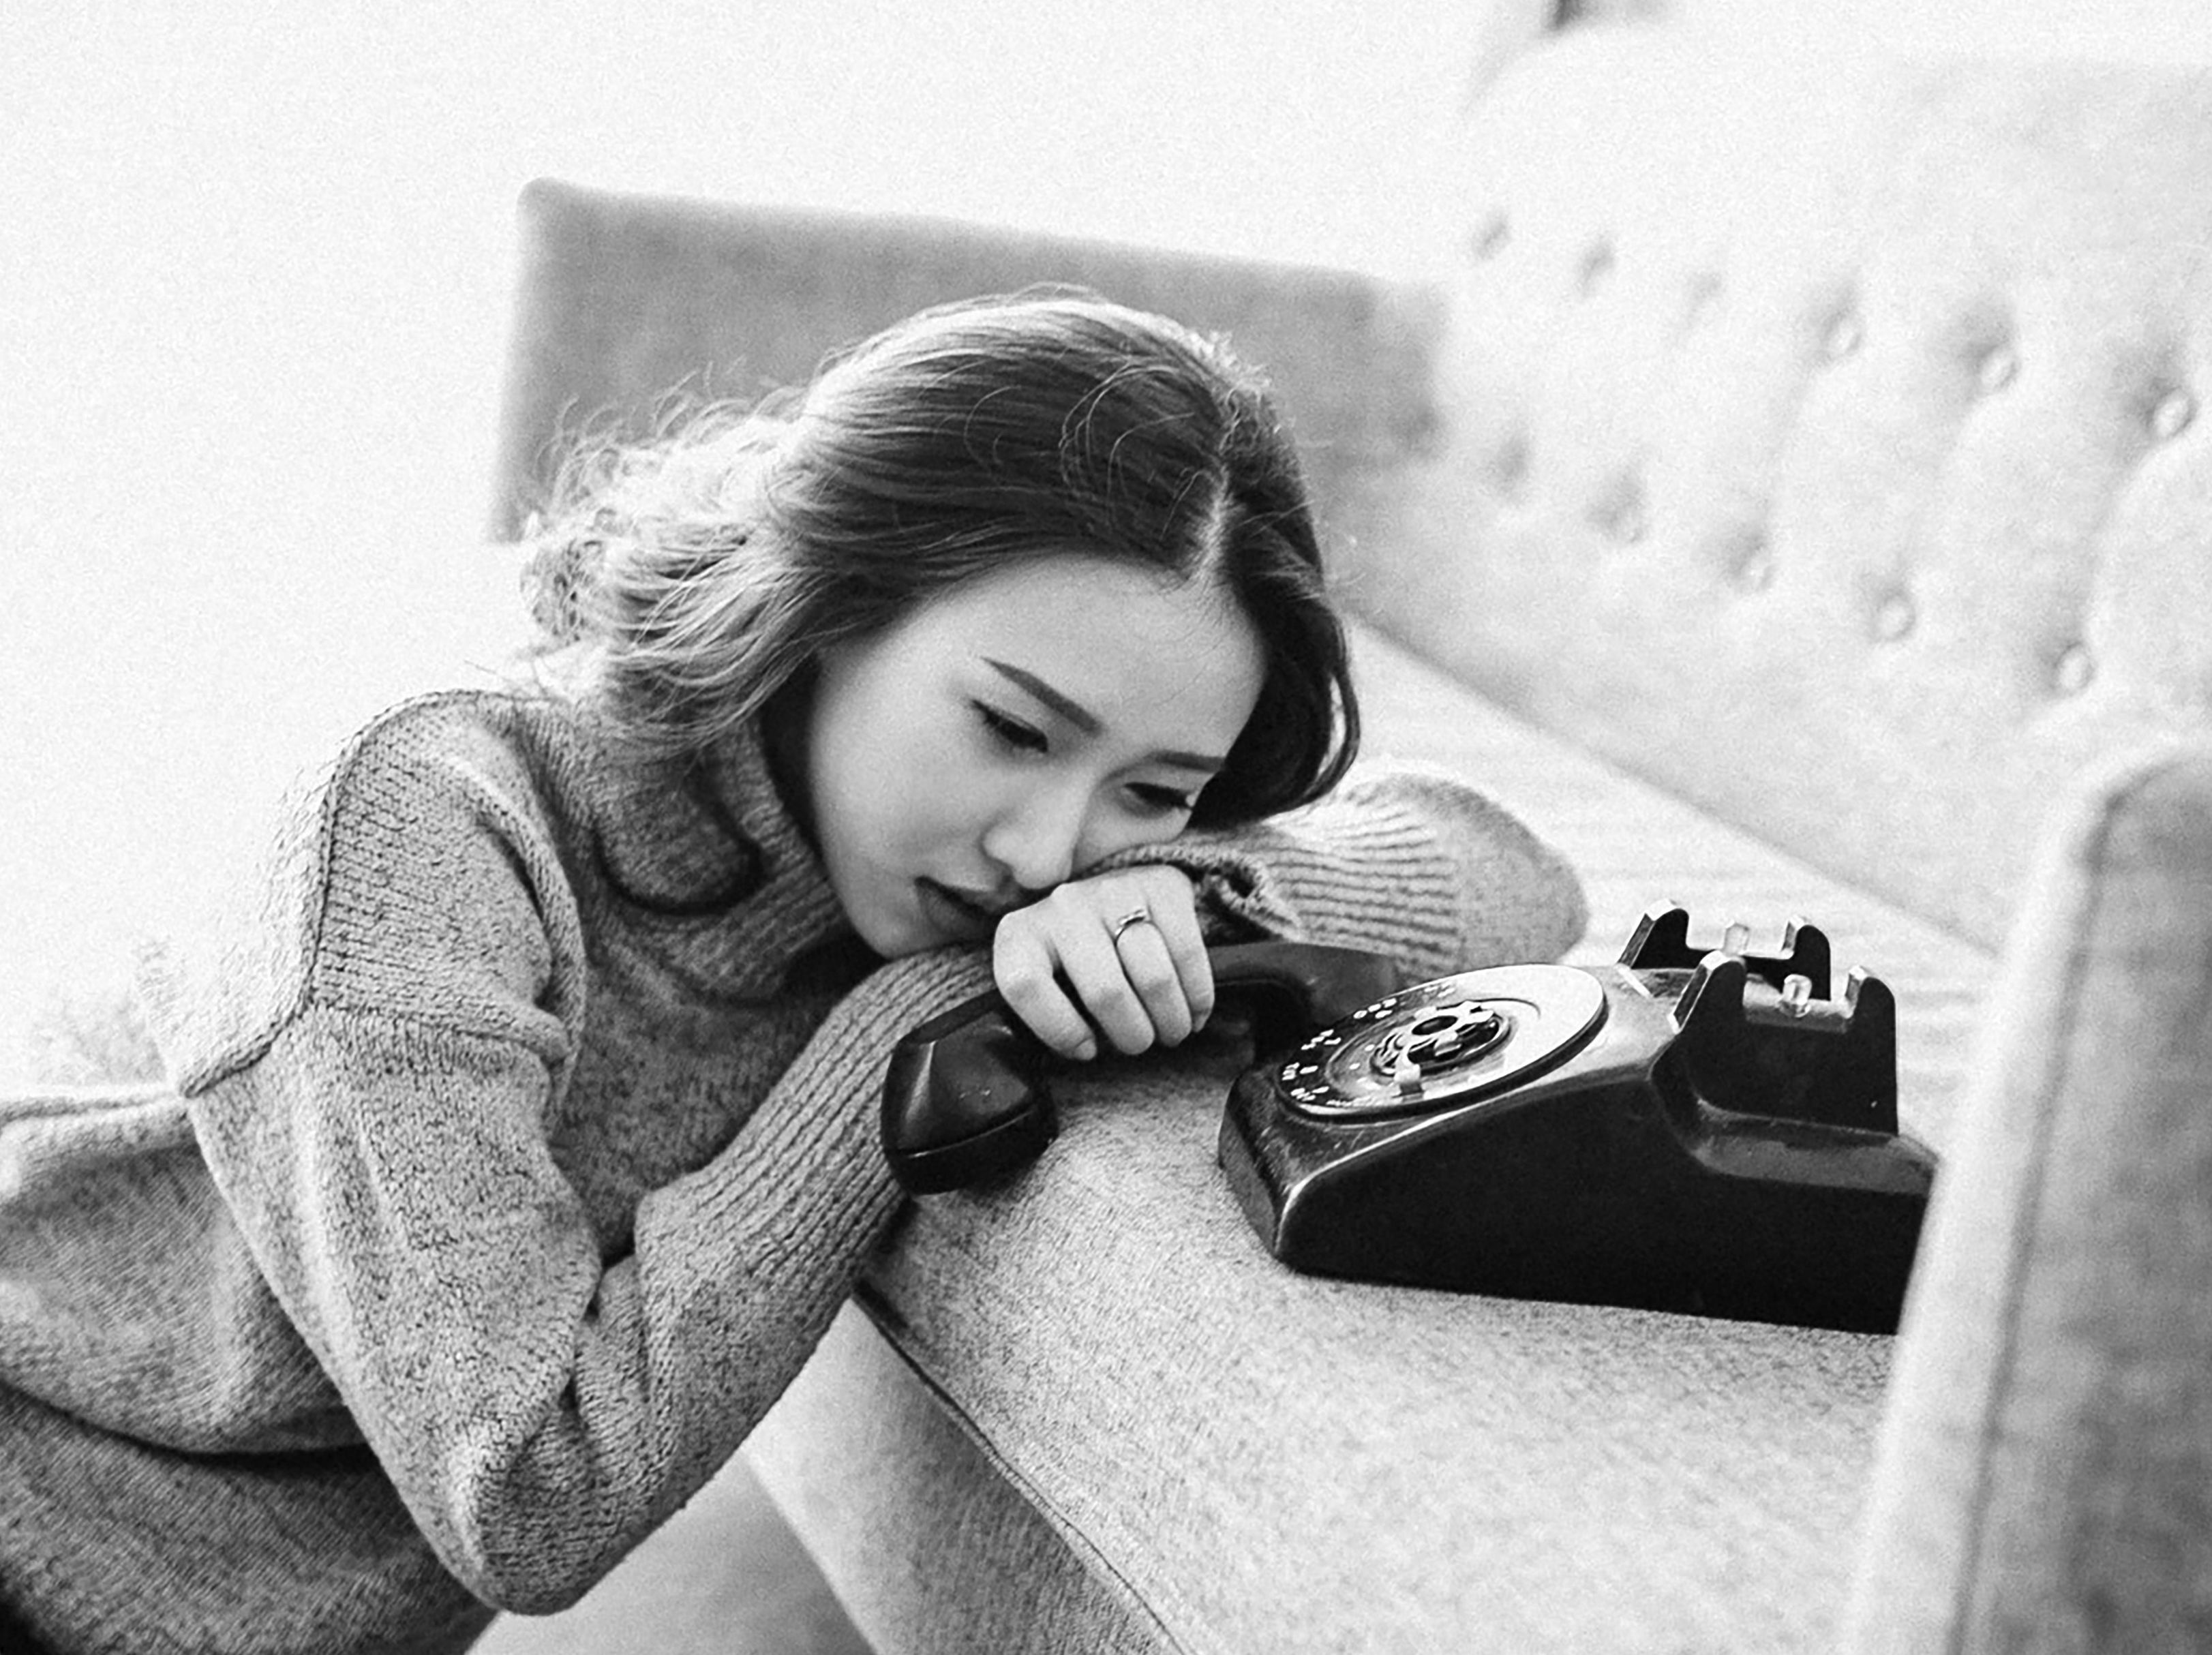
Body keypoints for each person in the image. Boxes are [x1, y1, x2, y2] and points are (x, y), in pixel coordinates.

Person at [0, 292, 1585, 1651]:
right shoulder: (423, 824)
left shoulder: (941, 844)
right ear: (826, 607)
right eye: (1014, 729)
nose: (1047, 852)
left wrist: (1193, 878)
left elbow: (1519, 868)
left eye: (1152, 786)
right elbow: (532, 1492)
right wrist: (906, 1026)